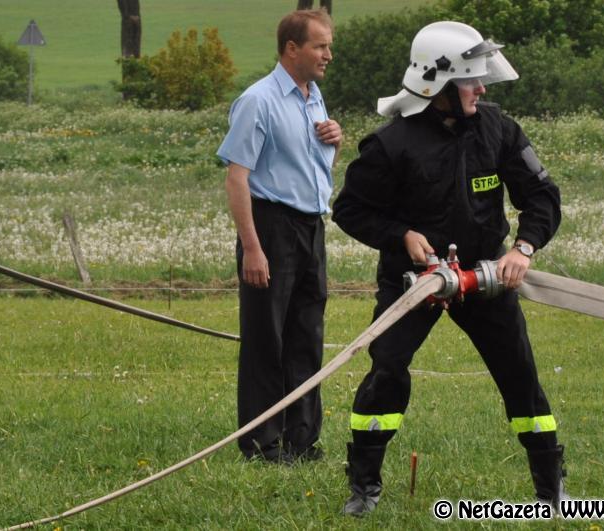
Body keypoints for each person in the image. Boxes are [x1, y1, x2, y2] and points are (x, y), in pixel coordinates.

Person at [332, 21, 566, 514]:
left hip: (485, 277)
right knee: (387, 370)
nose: (481, 88)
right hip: (411, 282)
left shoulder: (498, 129)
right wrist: (402, 235)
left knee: (520, 376)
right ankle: (364, 488)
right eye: (470, 80)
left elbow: (541, 196)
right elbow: (350, 209)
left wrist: (522, 249)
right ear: (437, 84)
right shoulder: (391, 144)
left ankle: (551, 490)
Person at [217, 9, 342, 464]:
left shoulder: (314, 97)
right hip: (269, 228)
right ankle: (262, 443)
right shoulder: (259, 100)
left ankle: (302, 440)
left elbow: (311, 171)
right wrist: (252, 246)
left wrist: (335, 143)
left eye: (328, 45)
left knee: (306, 335)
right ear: (292, 49)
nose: (328, 54)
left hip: (311, 226)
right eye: (320, 46)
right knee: (266, 338)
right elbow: (237, 178)